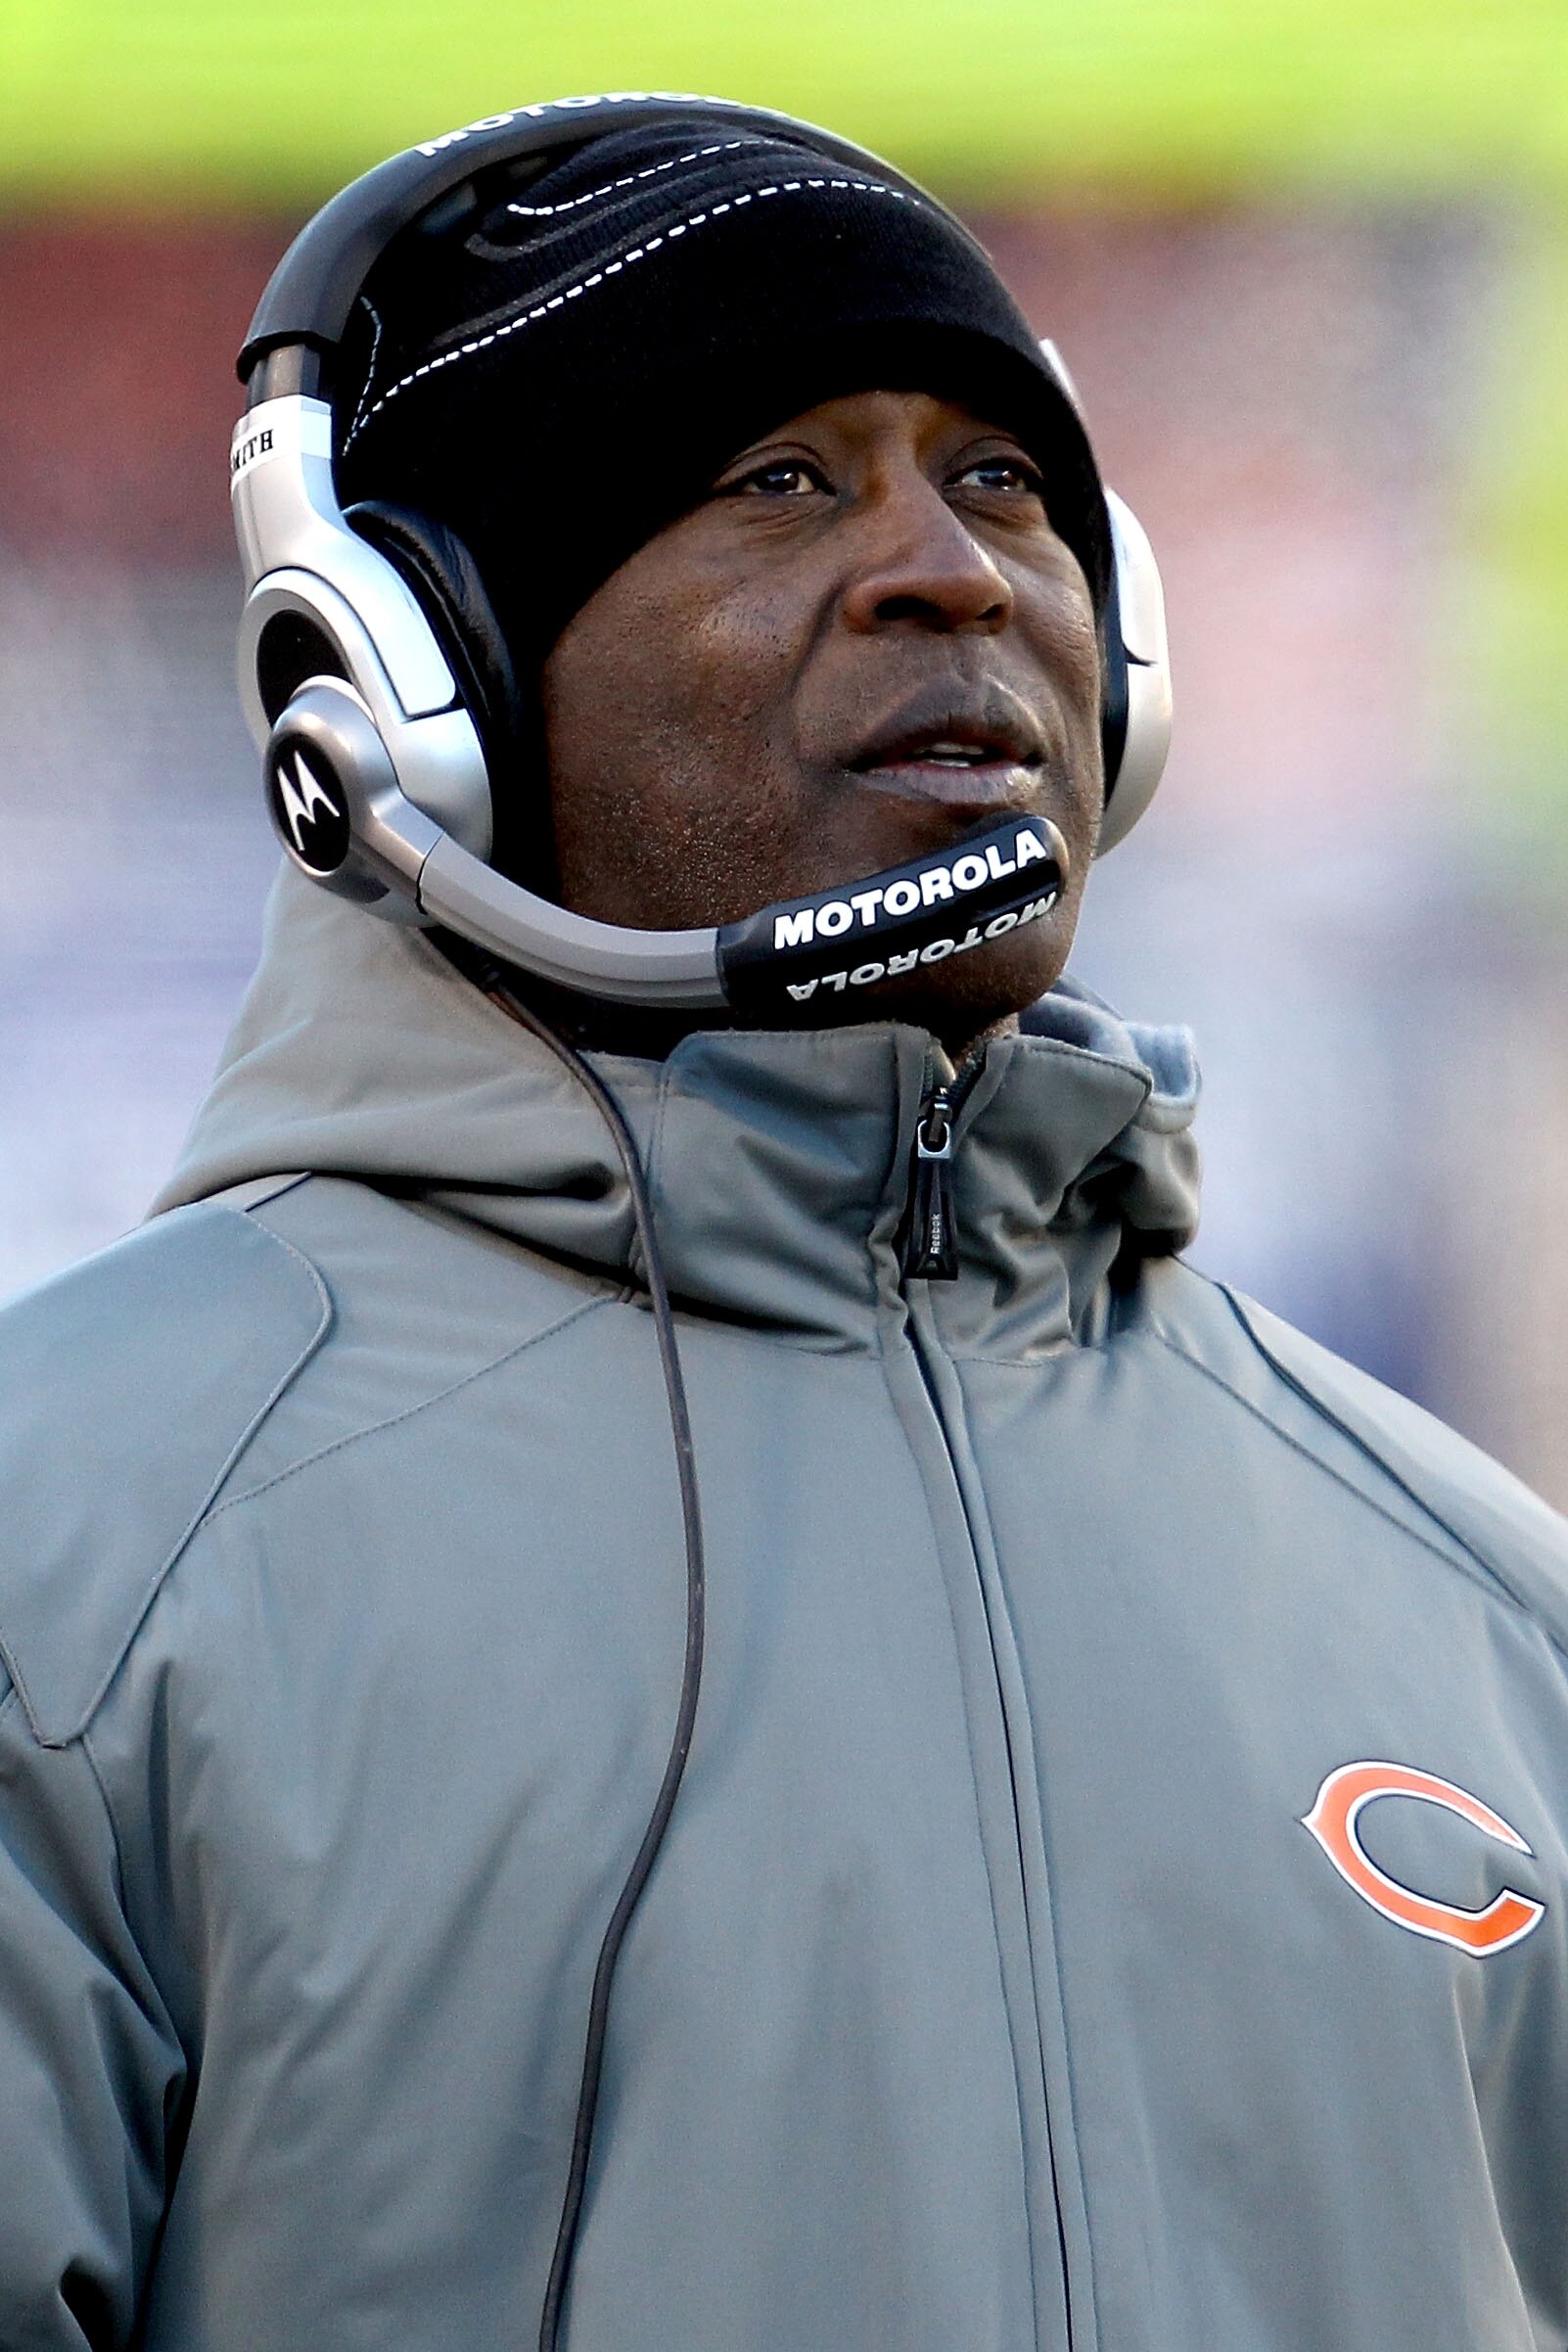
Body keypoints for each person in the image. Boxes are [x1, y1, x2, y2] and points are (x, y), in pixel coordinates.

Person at [3, 93, 1567, 2352]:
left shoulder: (1490, 1607)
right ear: (414, 689)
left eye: (1005, 480)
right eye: (781, 479)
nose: (957, 570)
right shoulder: (73, 1559)